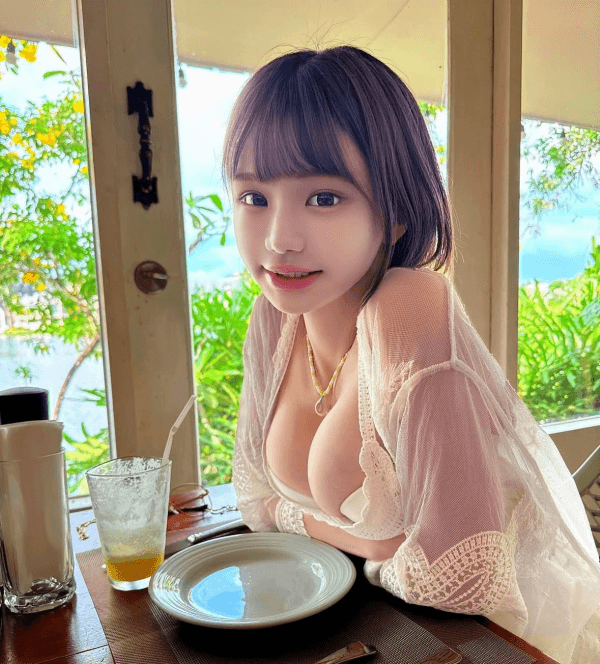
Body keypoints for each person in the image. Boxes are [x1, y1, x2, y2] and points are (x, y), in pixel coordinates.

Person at [220, 44, 600, 664]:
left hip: (498, 642)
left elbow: (464, 579)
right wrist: (367, 543)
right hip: (356, 625)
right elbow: (254, 497)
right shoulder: (274, 318)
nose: (279, 241)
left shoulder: (411, 306)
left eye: (323, 197)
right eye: (254, 197)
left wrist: (337, 541)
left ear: (395, 212)